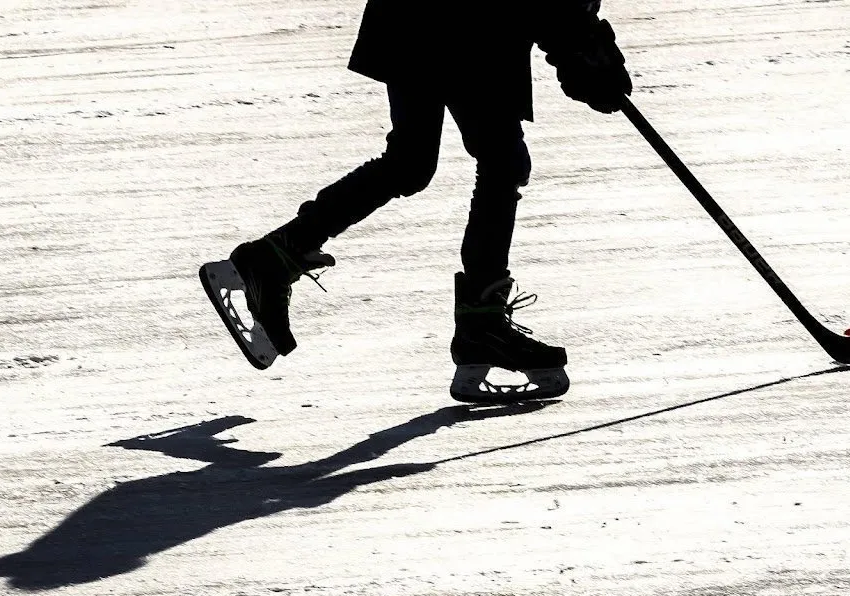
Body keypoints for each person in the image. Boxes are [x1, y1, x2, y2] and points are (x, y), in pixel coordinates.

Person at [200, 0, 632, 403]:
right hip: (470, 22)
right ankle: (482, 324)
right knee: (500, 161)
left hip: (419, 14)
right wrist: (586, 50)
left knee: (413, 161)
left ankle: (274, 258)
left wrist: (581, 45)